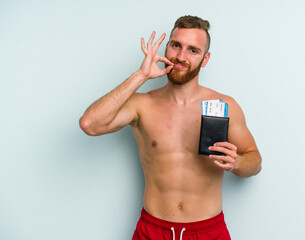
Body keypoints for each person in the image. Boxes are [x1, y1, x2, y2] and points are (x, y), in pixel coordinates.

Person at [79, 15, 262, 240]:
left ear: (205, 59)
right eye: (176, 45)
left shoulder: (225, 105)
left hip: (208, 231)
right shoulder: (142, 105)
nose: (181, 56)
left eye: (193, 50)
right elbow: (90, 124)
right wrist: (141, 75)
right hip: (153, 231)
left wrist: (238, 162)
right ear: (167, 48)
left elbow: (255, 162)